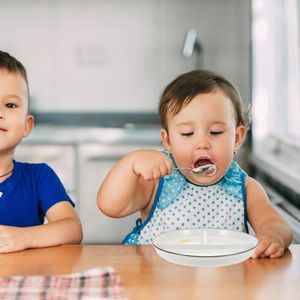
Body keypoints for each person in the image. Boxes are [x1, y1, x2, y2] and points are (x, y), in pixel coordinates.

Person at [97, 69, 292, 258]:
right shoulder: (158, 181)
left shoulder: (245, 188)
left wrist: (272, 236)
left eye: (215, 132)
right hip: (157, 283)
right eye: (187, 134)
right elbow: (110, 206)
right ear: (168, 141)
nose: (202, 144)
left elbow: (275, 223)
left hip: (225, 283)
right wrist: (129, 163)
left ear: (238, 138)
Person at [0, 50, 82, 253]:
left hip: (26, 281)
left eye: (10, 105)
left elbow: (72, 230)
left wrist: (24, 237)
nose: (0, 113)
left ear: (27, 125)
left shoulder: (39, 177)